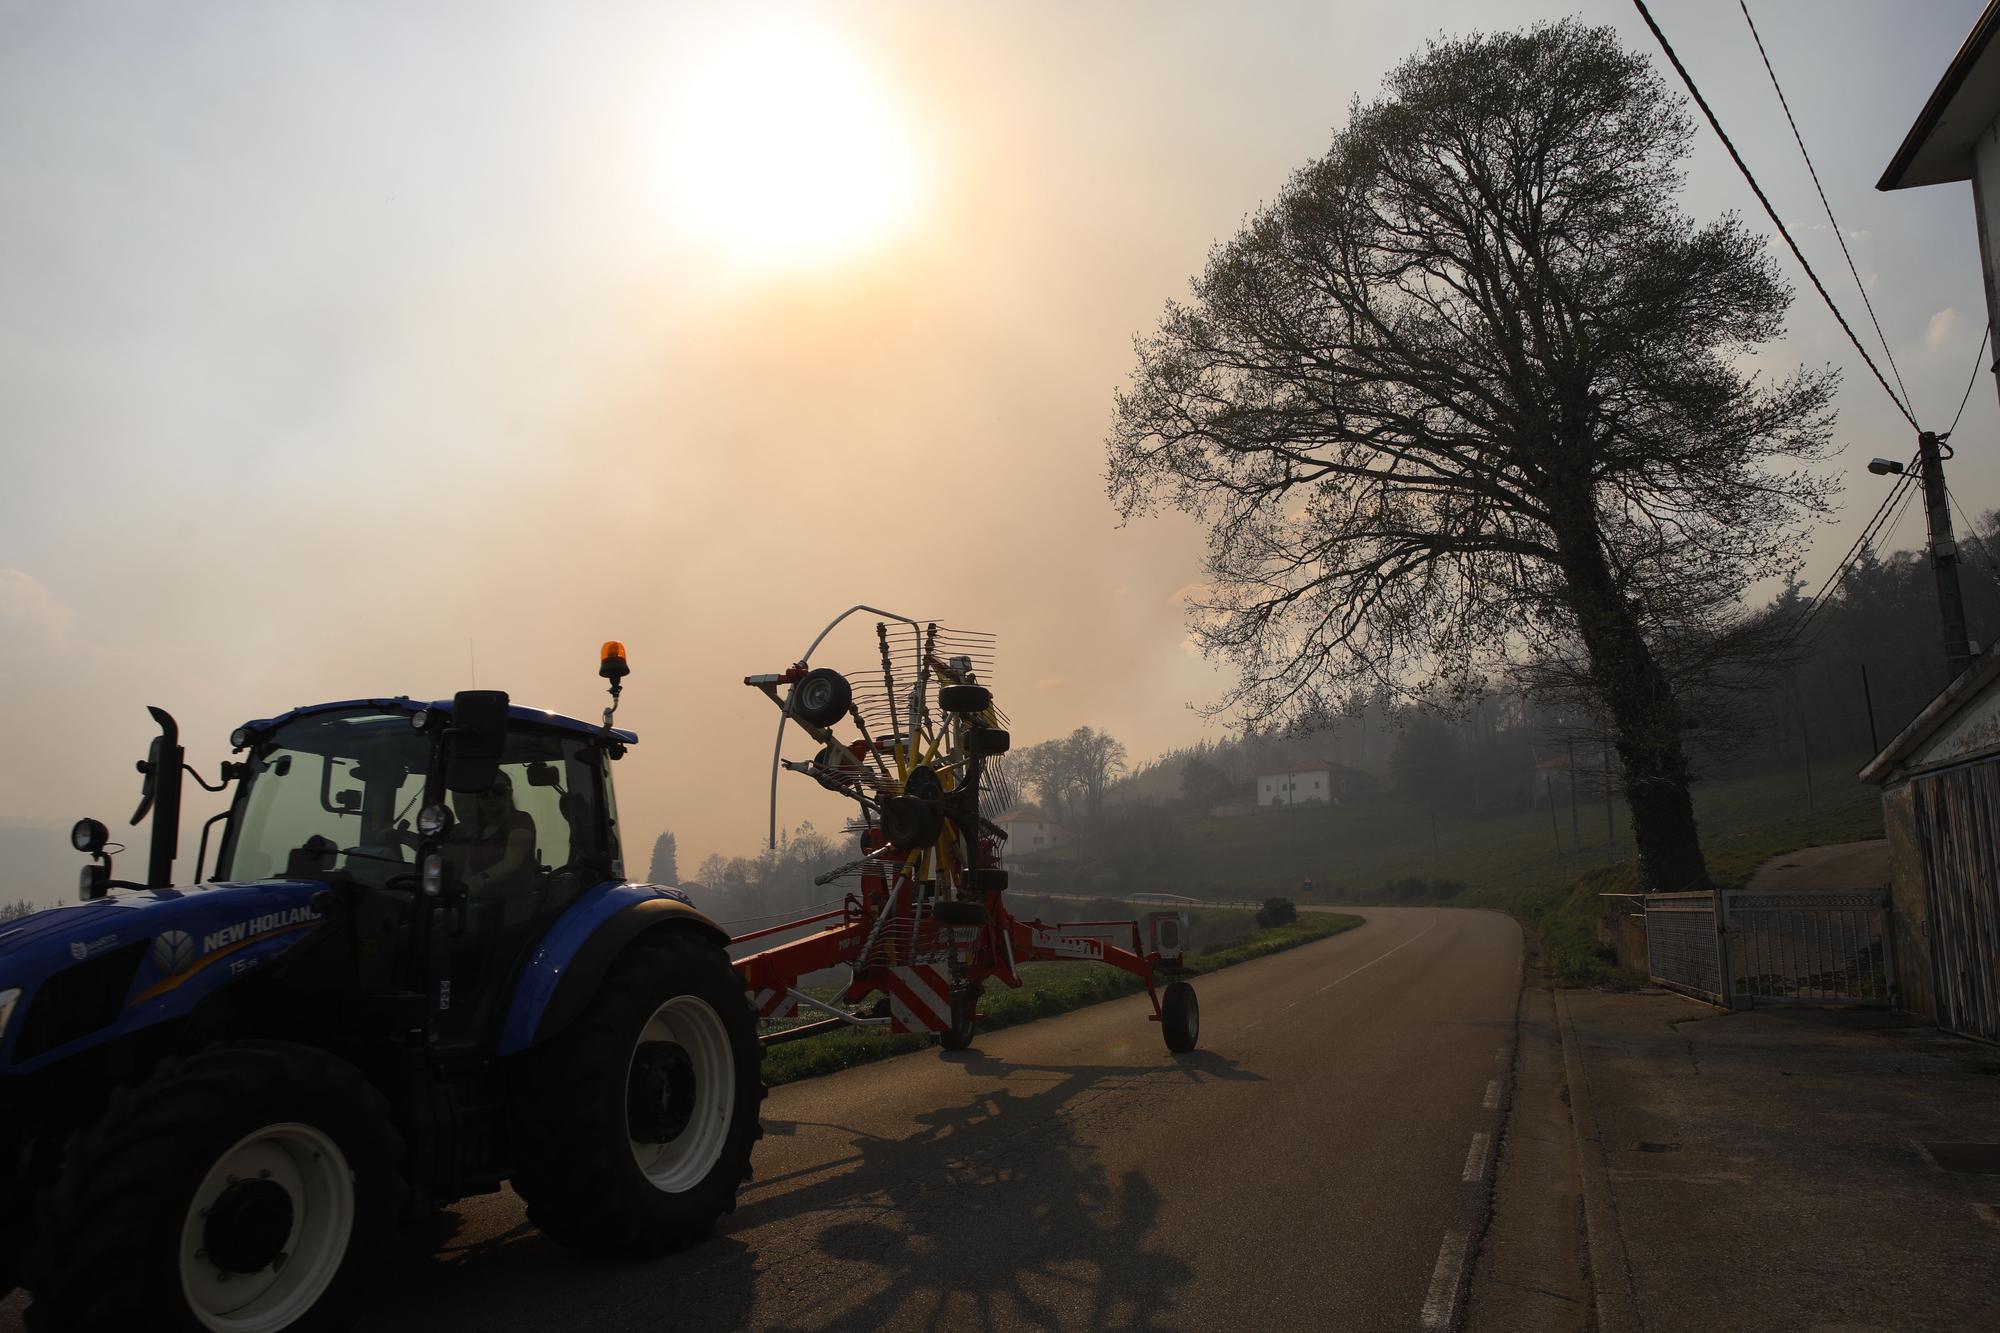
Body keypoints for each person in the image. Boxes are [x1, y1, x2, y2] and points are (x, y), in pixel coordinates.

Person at [447, 772, 537, 914]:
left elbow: (511, 862)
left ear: (509, 793)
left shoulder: (521, 821)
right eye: (484, 793)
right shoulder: (478, 830)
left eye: (498, 790)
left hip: (513, 910)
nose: (491, 796)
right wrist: (458, 901)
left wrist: (480, 880)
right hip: (479, 910)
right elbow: (468, 870)